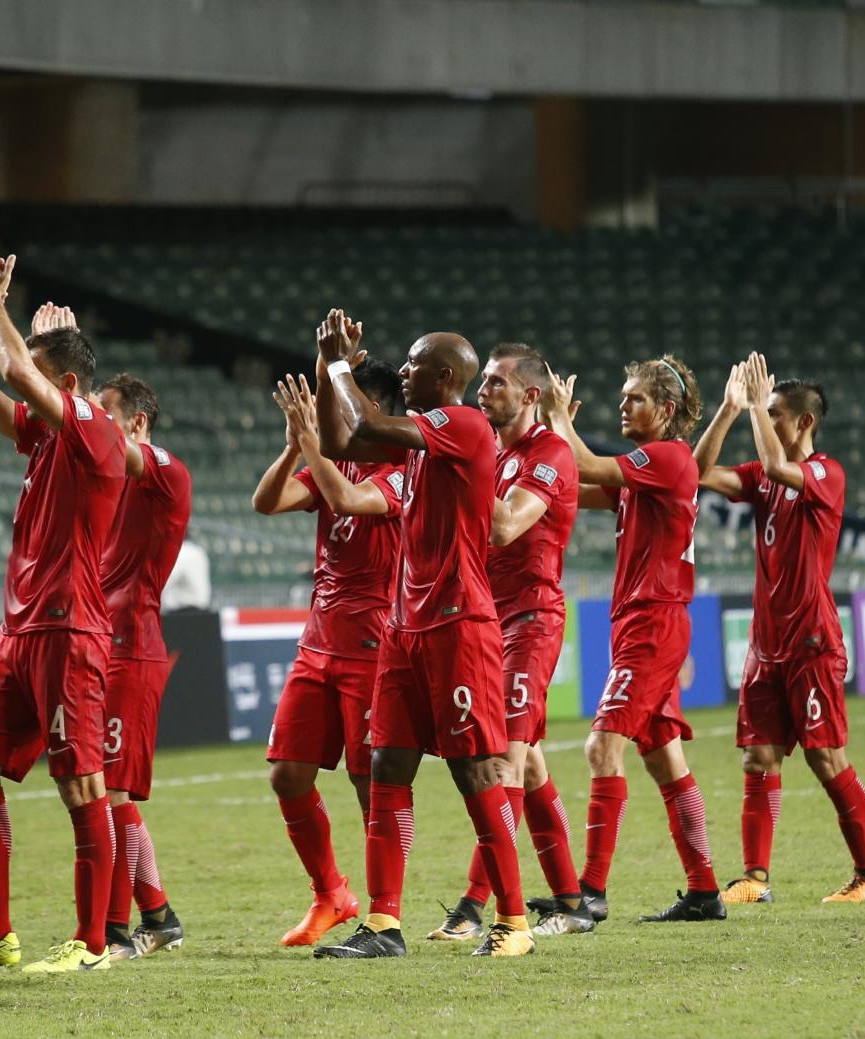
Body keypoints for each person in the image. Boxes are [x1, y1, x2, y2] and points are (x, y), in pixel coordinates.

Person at [305, 307, 530, 960]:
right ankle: (383, 924)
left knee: (474, 769)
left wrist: (342, 366)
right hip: (406, 627)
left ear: (445, 377)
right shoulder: (421, 442)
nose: (402, 371)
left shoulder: (463, 423)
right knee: (387, 764)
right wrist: (325, 367)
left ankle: (513, 922)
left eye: (413, 364)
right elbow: (341, 442)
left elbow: (367, 422)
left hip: (459, 625)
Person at [0, 240, 135, 976]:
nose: (24, 378)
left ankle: (93, 944)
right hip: (17, 633)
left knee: (81, 784)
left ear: (69, 384)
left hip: (70, 629)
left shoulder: (95, 429)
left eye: (37, 367)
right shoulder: (50, 434)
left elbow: (16, 372)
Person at [541, 355, 722, 928]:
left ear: (665, 410)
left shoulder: (666, 457)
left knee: (602, 748)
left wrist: (559, 419)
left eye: (634, 397)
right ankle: (704, 891)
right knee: (664, 759)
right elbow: (573, 486)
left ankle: (590, 893)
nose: (622, 404)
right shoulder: (646, 473)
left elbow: (584, 462)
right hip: (641, 622)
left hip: (653, 623)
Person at [696, 355, 865, 904]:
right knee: (759, 759)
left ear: (804, 422)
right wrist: (731, 408)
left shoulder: (826, 473)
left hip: (812, 643)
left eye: (775, 412)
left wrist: (756, 405)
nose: (767, 417)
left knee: (827, 759)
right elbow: (699, 472)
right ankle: (755, 878)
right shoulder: (761, 477)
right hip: (766, 646)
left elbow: (780, 467)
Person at [427, 341, 583, 942]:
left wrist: (463, 468)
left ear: (531, 394)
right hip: (487, 621)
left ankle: (474, 907)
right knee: (529, 761)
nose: (484, 391)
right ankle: (571, 900)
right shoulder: (491, 450)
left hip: (531, 621)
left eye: (496, 382)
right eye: (484, 381)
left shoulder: (550, 453)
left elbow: (504, 524)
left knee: (502, 762)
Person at [251, 359, 406, 948]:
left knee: (372, 784)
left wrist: (312, 444)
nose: (334, 415)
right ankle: (332, 895)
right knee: (287, 775)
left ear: (373, 411)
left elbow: (346, 500)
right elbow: (267, 502)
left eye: (344, 405)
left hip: (372, 647)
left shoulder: (401, 469)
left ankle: (384, 914)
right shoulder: (333, 461)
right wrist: (296, 445)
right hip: (317, 643)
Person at [93, 369, 191, 960]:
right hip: (93, 643)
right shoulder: (106, 479)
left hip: (131, 644)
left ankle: (114, 931)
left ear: (137, 422)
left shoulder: (166, 470)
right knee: (104, 792)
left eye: (103, 411)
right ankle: (158, 915)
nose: (92, 420)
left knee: (110, 792)